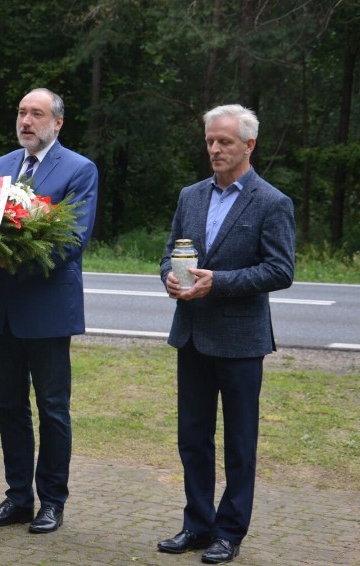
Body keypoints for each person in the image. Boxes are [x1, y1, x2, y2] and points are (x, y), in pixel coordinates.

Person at [157, 105, 295, 564]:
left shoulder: (272, 202)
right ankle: (197, 525)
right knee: (192, 438)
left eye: (225, 142)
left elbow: (280, 270)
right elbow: (169, 254)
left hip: (240, 341)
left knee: (239, 443)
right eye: (210, 141)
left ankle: (229, 532)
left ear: (249, 145)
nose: (215, 149)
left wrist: (220, 281)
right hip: (192, 335)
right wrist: (170, 280)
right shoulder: (190, 196)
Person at [0, 88, 98, 534]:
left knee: (52, 408)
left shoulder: (79, 170)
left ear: (57, 122)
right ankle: (17, 498)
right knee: (9, 406)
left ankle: (53, 501)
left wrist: (12, 259)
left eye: (37, 114)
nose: (26, 121)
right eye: (21, 112)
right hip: (2, 310)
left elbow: (72, 240)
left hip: (47, 309)